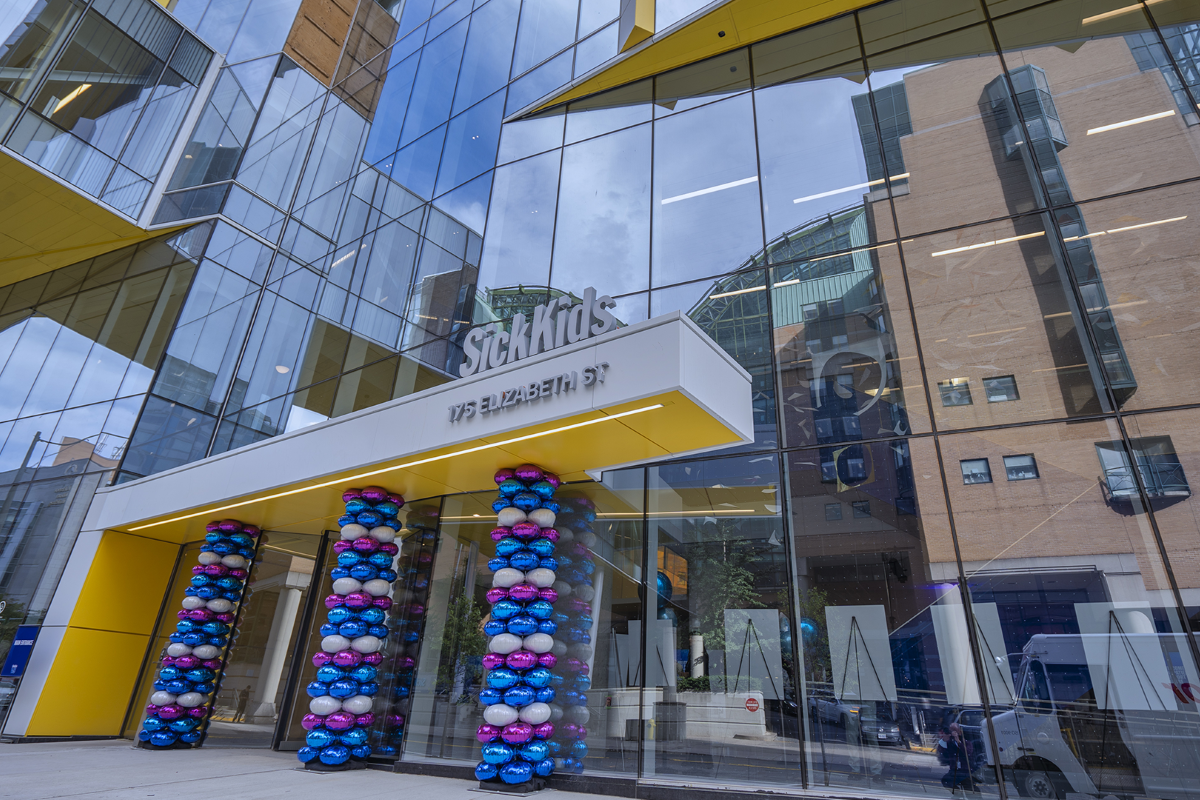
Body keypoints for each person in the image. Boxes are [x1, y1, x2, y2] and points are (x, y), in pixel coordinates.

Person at [938, 725, 973, 794]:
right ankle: (958, 794)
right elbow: (941, 751)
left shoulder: (966, 742)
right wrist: (944, 740)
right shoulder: (949, 743)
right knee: (946, 780)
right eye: (950, 731)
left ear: (960, 732)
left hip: (965, 771)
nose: (952, 733)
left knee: (969, 790)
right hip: (954, 771)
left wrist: (958, 741)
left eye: (954, 731)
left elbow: (968, 753)